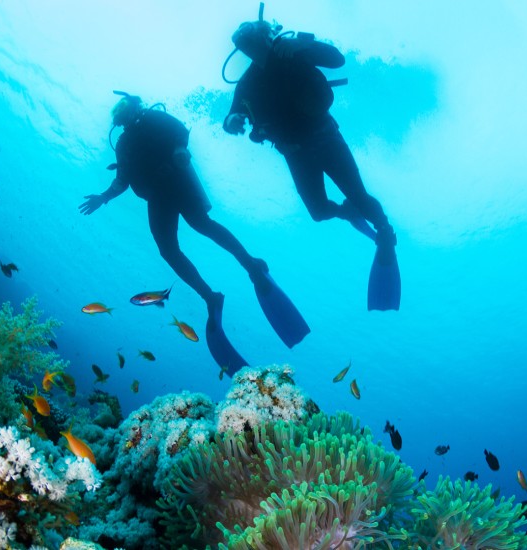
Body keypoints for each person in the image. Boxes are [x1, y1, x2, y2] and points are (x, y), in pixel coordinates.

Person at [80, 93, 308, 372]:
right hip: (157, 196)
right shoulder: (124, 143)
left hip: (177, 179)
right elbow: (122, 181)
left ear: (134, 106)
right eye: (120, 112)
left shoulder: (153, 116)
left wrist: (178, 149)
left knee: (202, 225)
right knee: (170, 249)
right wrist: (103, 197)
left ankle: (250, 266)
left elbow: (180, 132)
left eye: (125, 108)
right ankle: (211, 295)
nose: (123, 114)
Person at [223, 18, 400, 310]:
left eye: (254, 43)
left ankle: (384, 230)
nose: (253, 50)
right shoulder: (247, 84)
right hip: (296, 154)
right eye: (246, 48)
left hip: (326, 139)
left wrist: (303, 43)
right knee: (318, 212)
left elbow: (337, 59)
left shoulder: (294, 51)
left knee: (360, 194)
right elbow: (231, 116)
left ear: (267, 37)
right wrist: (232, 121)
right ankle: (348, 212)